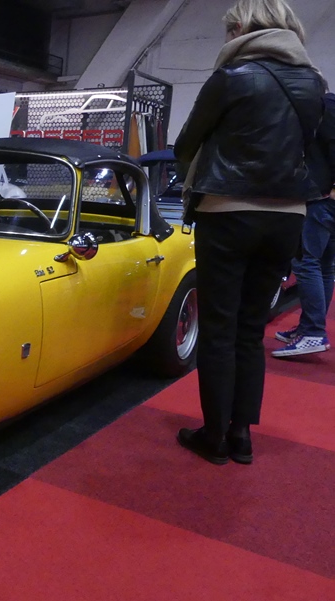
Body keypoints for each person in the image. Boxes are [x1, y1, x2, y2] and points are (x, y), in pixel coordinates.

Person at [173, 0, 324, 465]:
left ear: (241, 27)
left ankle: (214, 435)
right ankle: (241, 435)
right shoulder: (314, 82)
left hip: (227, 210)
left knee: (219, 327)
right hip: (288, 215)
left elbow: (185, 143)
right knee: (251, 328)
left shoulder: (232, 77)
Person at [272, 90, 335, 357]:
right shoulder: (324, 106)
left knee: (306, 262)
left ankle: (313, 331)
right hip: (324, 197)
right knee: (323, 265)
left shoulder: (326, 106)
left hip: (321, 198)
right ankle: (309, 327)